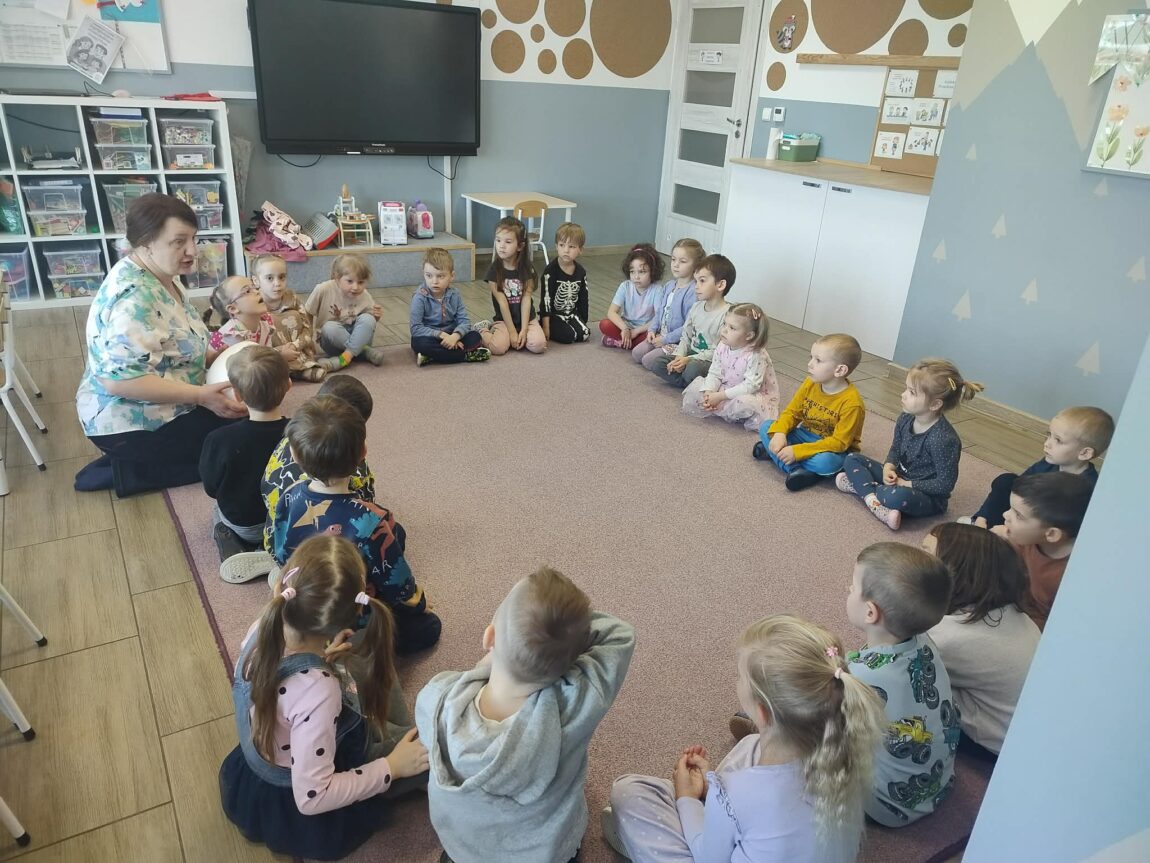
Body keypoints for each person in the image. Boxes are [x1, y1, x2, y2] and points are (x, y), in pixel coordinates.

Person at [607, 614, 885, 863]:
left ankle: (645, 836)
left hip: (731, 819)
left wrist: (687, 798)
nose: (736, 680)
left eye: (740, 677)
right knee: (750, 745)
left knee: (629, 792)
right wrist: (717, 793)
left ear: (762, 713)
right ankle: (715, 807)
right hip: (759, 811)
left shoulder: (737, 791)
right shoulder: (847, 755)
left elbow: (707, 857)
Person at [218, 535, 429, 861]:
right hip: (303, 798)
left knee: (365, 657)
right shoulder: (320, 691)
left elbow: (284, 686)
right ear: (355, 609)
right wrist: (392, 767)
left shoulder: (264, 625)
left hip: (270, 758)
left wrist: (324, 657)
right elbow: (313, 795)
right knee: (428, 747)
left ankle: (396, 739)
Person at [415, 567, 635, 863]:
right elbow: (621, 634)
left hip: (465, 848)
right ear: (574, 660)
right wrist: (565, 636)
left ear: (489, 636)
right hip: (543, 853)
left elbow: (428, 740)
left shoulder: (438, 697)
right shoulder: (577, 702)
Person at [74, 193, 246, 497]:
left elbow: (175, 340)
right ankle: (126, 469)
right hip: (125, 421)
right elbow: (121, 382)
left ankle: (135, 460)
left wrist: (220, 356)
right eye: (179, 241)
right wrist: (202, 396)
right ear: (145, 243)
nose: (192, 250)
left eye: (193, 238)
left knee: (247, 413)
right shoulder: (133, 298)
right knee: (239, 446)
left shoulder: (162, 274)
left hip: (163, 395)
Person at [271, 397, 441, 654]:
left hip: (304, 596)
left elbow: (281, 550)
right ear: (363, 452)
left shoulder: (288, 497)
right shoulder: (372, 520)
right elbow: (398, 584)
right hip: (351, 612)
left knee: (396, 532)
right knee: (429, 627)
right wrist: (418, 603)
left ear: (294, 455)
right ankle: (357, 643)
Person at [845, 542, 959, 827]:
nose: (848, 590)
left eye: (852, 587)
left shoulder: (862, 676)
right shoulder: (924, 642)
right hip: (940, 782)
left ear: (871, 613)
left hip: (888, 804)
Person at [922, 523, 1040, 758]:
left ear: (954, 574)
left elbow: (888, 657)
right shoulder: (1013, 612)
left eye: (925, 556)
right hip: (1028, 725)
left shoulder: (948, 637)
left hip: (1002, 744)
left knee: (915, 684)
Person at [837, 358, 984, 529]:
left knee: (895, 497)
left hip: (926, 495)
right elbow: (896, 448)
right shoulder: (905, 418)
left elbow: (945, 484)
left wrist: (906, 484)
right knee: (852, 459)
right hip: (898, 479)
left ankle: (863, 488)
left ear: (935, 404)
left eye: (912, 392)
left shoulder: (943, 439)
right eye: (906, 388)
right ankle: (874, 502)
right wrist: (888, 467)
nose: (903, 394)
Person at [199, 346, 291, 583]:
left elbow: (211, 488)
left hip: (245, 525)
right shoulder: (302, 432)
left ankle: (232, 541)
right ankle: (280, 550)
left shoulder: (219, 439)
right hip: (289, 519)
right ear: (289, 384)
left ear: (237, 395)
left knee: (216, 511)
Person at [258, 375, 376, 556]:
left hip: (279, 546)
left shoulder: (291, 441)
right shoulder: (358, 473)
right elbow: (366, 505)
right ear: (362, 451)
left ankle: (286, 569)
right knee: (394, 533)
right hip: (331, 562)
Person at [963, 406, 1113, 529]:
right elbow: (1020, 487)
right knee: (1006, 481)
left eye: (1058, 440)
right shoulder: (1047, 464)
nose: (1047, 443)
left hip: (1040, 528)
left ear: (1084, 453)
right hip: (1020, 514)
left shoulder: (1087, 487)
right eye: (1048, 435)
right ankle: (982, 522)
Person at [755, 334, 866, 491]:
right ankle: (796, 467)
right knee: (767, 426)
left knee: (825, 463)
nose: (810, 364)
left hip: (832, 449)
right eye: (811, 357)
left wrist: (797, 451)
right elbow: (792, 413)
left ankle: (782, 459)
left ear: (840, 370)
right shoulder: (810, 383)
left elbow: (839, 443)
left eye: (818, 360)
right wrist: (780, 433)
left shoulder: (852, 404)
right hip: (805, 435)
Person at [995, 472, 1094, 631]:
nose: (1005, 515)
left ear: (1052, 534)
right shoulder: (1025, 539)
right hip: (1010, 603)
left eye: (1018, 515)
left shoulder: (1070, 577)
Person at [681, 302, 780, 431]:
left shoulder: (756, 355)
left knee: (745, 403)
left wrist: (719, 396)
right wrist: (709, 393)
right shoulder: (722, 345)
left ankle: (735, 412)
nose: (724, 330)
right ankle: (717, 403)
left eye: (732, 328)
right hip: (727, 386)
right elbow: (715, 372)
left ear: (749, 336)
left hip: (750, 393)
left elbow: (750, 386)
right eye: (724, 324)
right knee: (698, 389)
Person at [649, 254, 734, 389]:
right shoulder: (696, 307)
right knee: (657, 364)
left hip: (709, 361)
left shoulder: (728, 315)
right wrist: (680, 356)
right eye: (696, 281)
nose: (696, 286)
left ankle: (696, 381)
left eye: (702, 281)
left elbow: (719, 352)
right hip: (689, 356)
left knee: (692, 369)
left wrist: (688, 360)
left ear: (720, 285)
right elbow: (686, 336)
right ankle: (690, 383)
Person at [473, 217, 546, 355]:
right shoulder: (494, 270)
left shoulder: (527, 268)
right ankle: (482, 329)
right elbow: (502, 302)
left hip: (527, 319)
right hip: (504, 320)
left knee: (538, 345)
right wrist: (512, 332)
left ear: (520, 246)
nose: (501, 246)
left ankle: (521, 334)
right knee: (498, 348)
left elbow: (526, 299)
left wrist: (524, 330)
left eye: (508, 242)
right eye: (498, 240)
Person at [409, 247, 491, 366]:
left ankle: (433, 357)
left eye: (440, 276)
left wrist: (455, 337)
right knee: (418, 343)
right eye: (429, 276)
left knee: (475, 337)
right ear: (424, 274)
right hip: (432, 338)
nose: (434, 281)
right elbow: (416, 328)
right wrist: (443, 336)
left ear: (451, 276)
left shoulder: (454, 295)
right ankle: (464, 356)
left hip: (453, 335)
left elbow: (464, 321)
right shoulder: (420, 297)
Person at [252, 252, 326, 383]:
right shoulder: (253, 302)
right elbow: (252, 338)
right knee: (269, 321)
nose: (277, 283)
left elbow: (307, 327)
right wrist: (279, 353)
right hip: (270, 353)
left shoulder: (292, 298)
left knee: (294, 316)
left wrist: (295, 346)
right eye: (270, 278)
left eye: (282, 277)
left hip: (296, 349)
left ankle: (296, 370)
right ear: (256, 281)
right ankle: (284, 370)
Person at [631, 238, 704, 369]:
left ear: (696, 265)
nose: (676, 265)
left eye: (682, 261)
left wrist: (665, 340)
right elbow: (659, 313)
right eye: (673, 259)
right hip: (661, 335)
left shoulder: (692, 291)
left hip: (677, 341)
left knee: (648, 362)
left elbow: (689, 326)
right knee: (637, 354)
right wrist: (652, 329)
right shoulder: (669, 285)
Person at [304, 254, 385, 370]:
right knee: (329, 327)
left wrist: (376, 317)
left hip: (356, 336)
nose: (356, 287)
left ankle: (344, 359)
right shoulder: (323, 289)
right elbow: (308, 312)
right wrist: (308, 339)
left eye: (361, 282)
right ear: (337, 277)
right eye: (350, 281)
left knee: (368, 318)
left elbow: (369, 324)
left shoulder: (364, 294)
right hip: (331, 341)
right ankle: (365, 351)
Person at [599, 243, 663, 349]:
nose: (636, 277)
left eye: (642, 272)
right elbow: (611, 312)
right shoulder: (625, 286)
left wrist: (637, 331)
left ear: (653, 271)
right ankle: (630, 343)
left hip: (644, 329)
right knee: (604, 324)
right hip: (626, 326)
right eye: (632, 272)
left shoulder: (657, 290)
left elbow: (658, 319)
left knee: (654, 337)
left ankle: (619, 342)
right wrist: (625, 329)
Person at [539, 222, 590, 344]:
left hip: (571, 313)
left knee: (584, 334)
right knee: (569, 335)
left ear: (580, 249)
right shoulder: (550, 271)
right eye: (562, 245)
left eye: (571, 247)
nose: (566, 250)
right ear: (556, 246)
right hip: (553, 315)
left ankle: (571, 327)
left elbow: (583, 298)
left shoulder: (581, 272)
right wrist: (546, 327)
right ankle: (543, 325)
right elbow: (545, 300)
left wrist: (583, 320)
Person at [207, 276, 279, 352]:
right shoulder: (233, 335)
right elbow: (250, 361)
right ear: (233, 309)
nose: (257, 292)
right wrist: (281, 355)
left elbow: (268, 351)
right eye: (247, 291)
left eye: (254, 287)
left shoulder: (265, 321)